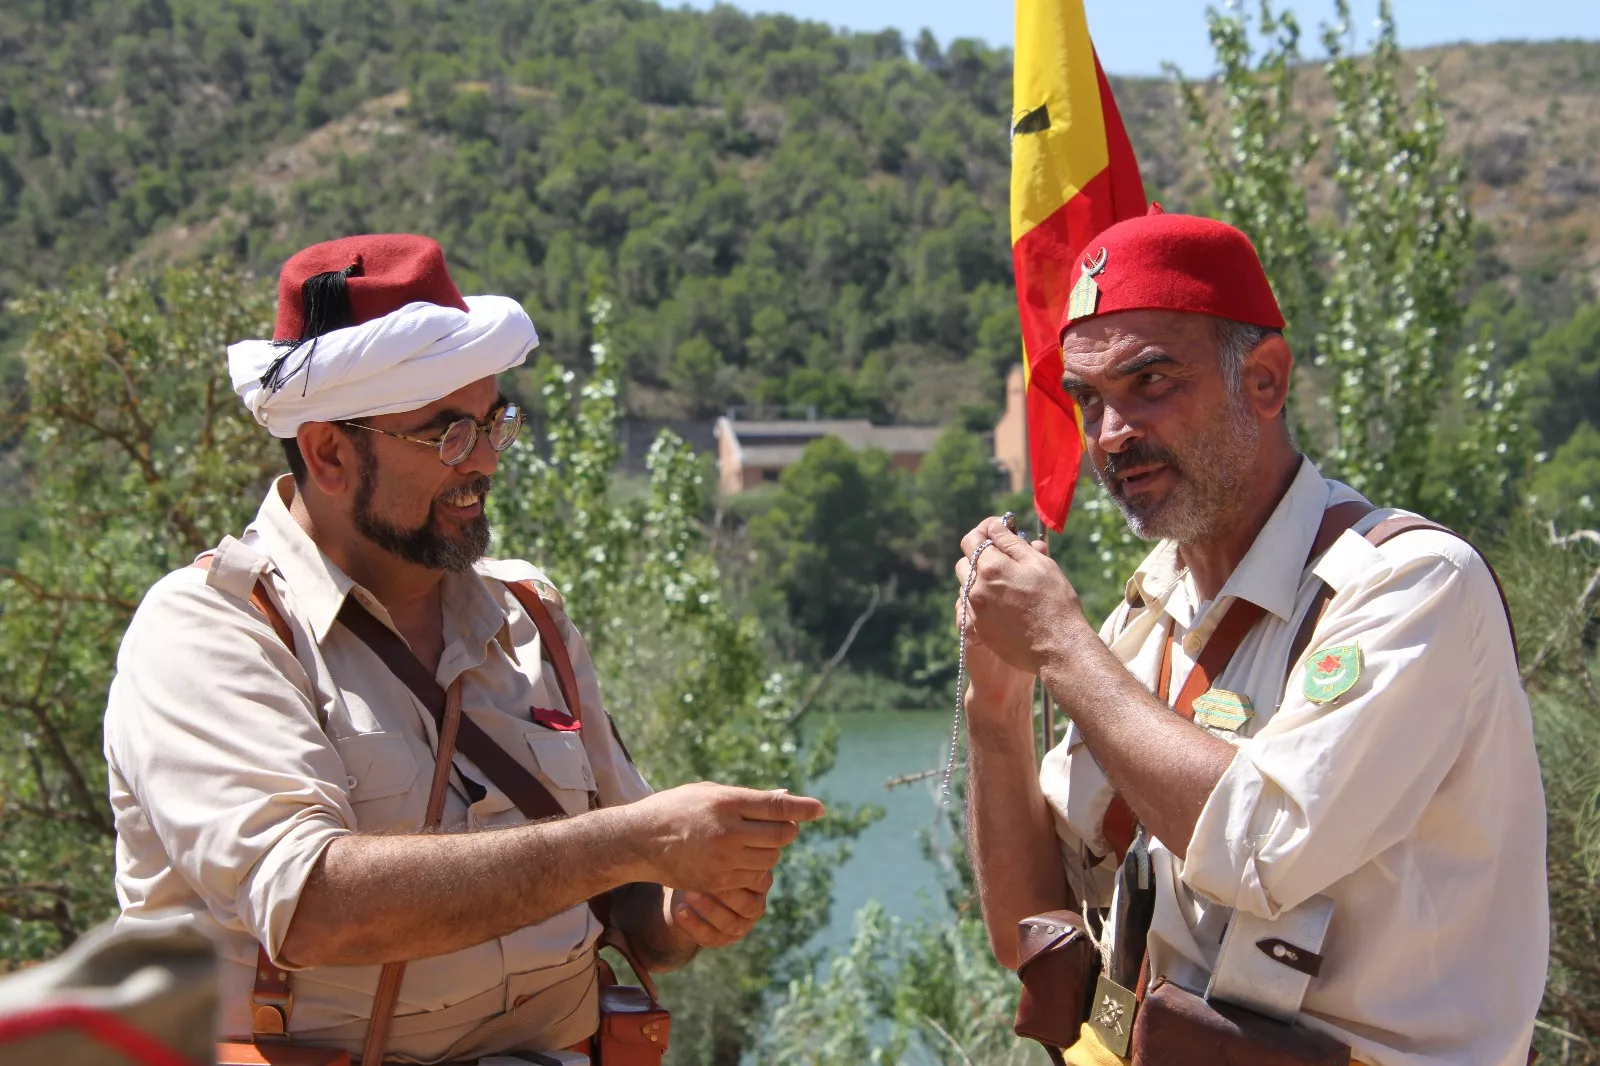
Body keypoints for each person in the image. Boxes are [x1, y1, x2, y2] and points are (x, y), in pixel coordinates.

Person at [103, 234, 825, 1063]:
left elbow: (628, 899)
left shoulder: (531, 614)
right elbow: (312, 907)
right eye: (445, 435)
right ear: (329, 453)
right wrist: (632, 841)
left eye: (492, 423)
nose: (484, 461)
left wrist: (680, 910)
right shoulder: (212, 630)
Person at [958, 209, 1547, 1066]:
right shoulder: (1145, 610)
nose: (1112, 434)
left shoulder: (1410, 585)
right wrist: (997, 704)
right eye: (1089, 399)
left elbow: (1264, 848)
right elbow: (1028, 930)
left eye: (1151, 382)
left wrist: (1057, 645)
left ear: (1264, 380)